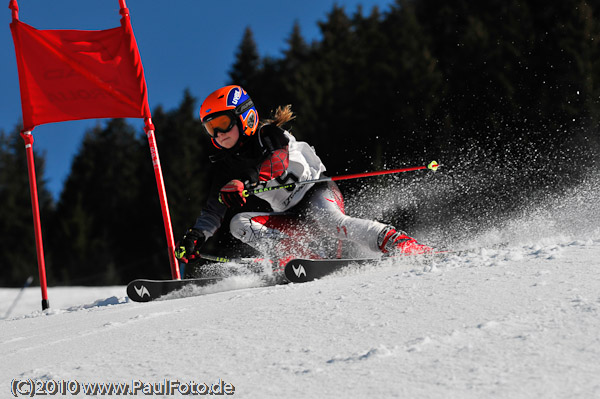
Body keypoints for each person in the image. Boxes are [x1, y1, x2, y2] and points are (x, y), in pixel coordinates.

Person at [175, 85, 432, 272]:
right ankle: (299, 257)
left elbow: (277, 162)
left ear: (245, 116)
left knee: (333, 222)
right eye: (211, 128)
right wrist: (195, 237)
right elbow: (213, 209)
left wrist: (247, 182)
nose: (218, 134)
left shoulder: (269, 135)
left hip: (316, 193)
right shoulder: (226, 167)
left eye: (222, 123)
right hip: (289, 215)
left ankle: (398, 242)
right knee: (239, 223)